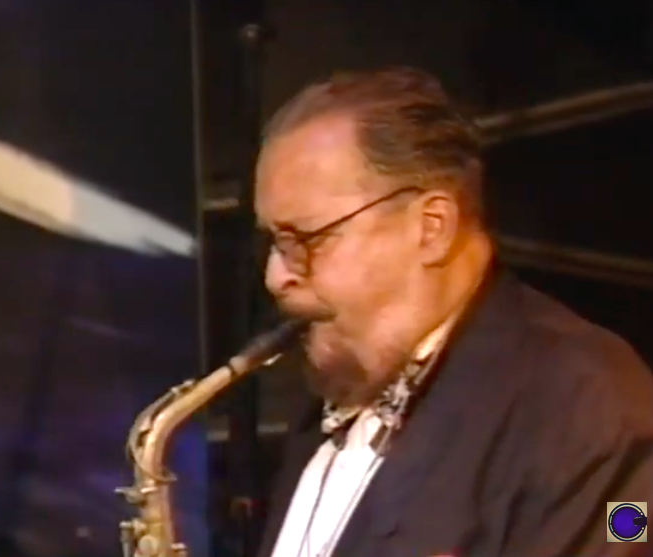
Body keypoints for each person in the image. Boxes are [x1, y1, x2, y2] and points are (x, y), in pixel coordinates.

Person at [252, 67, 653, 557]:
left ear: (432, 227)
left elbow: (625, 533)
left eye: (305, 239)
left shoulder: (590, 405)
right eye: (274, 242)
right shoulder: (338, 393)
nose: (276, 276)